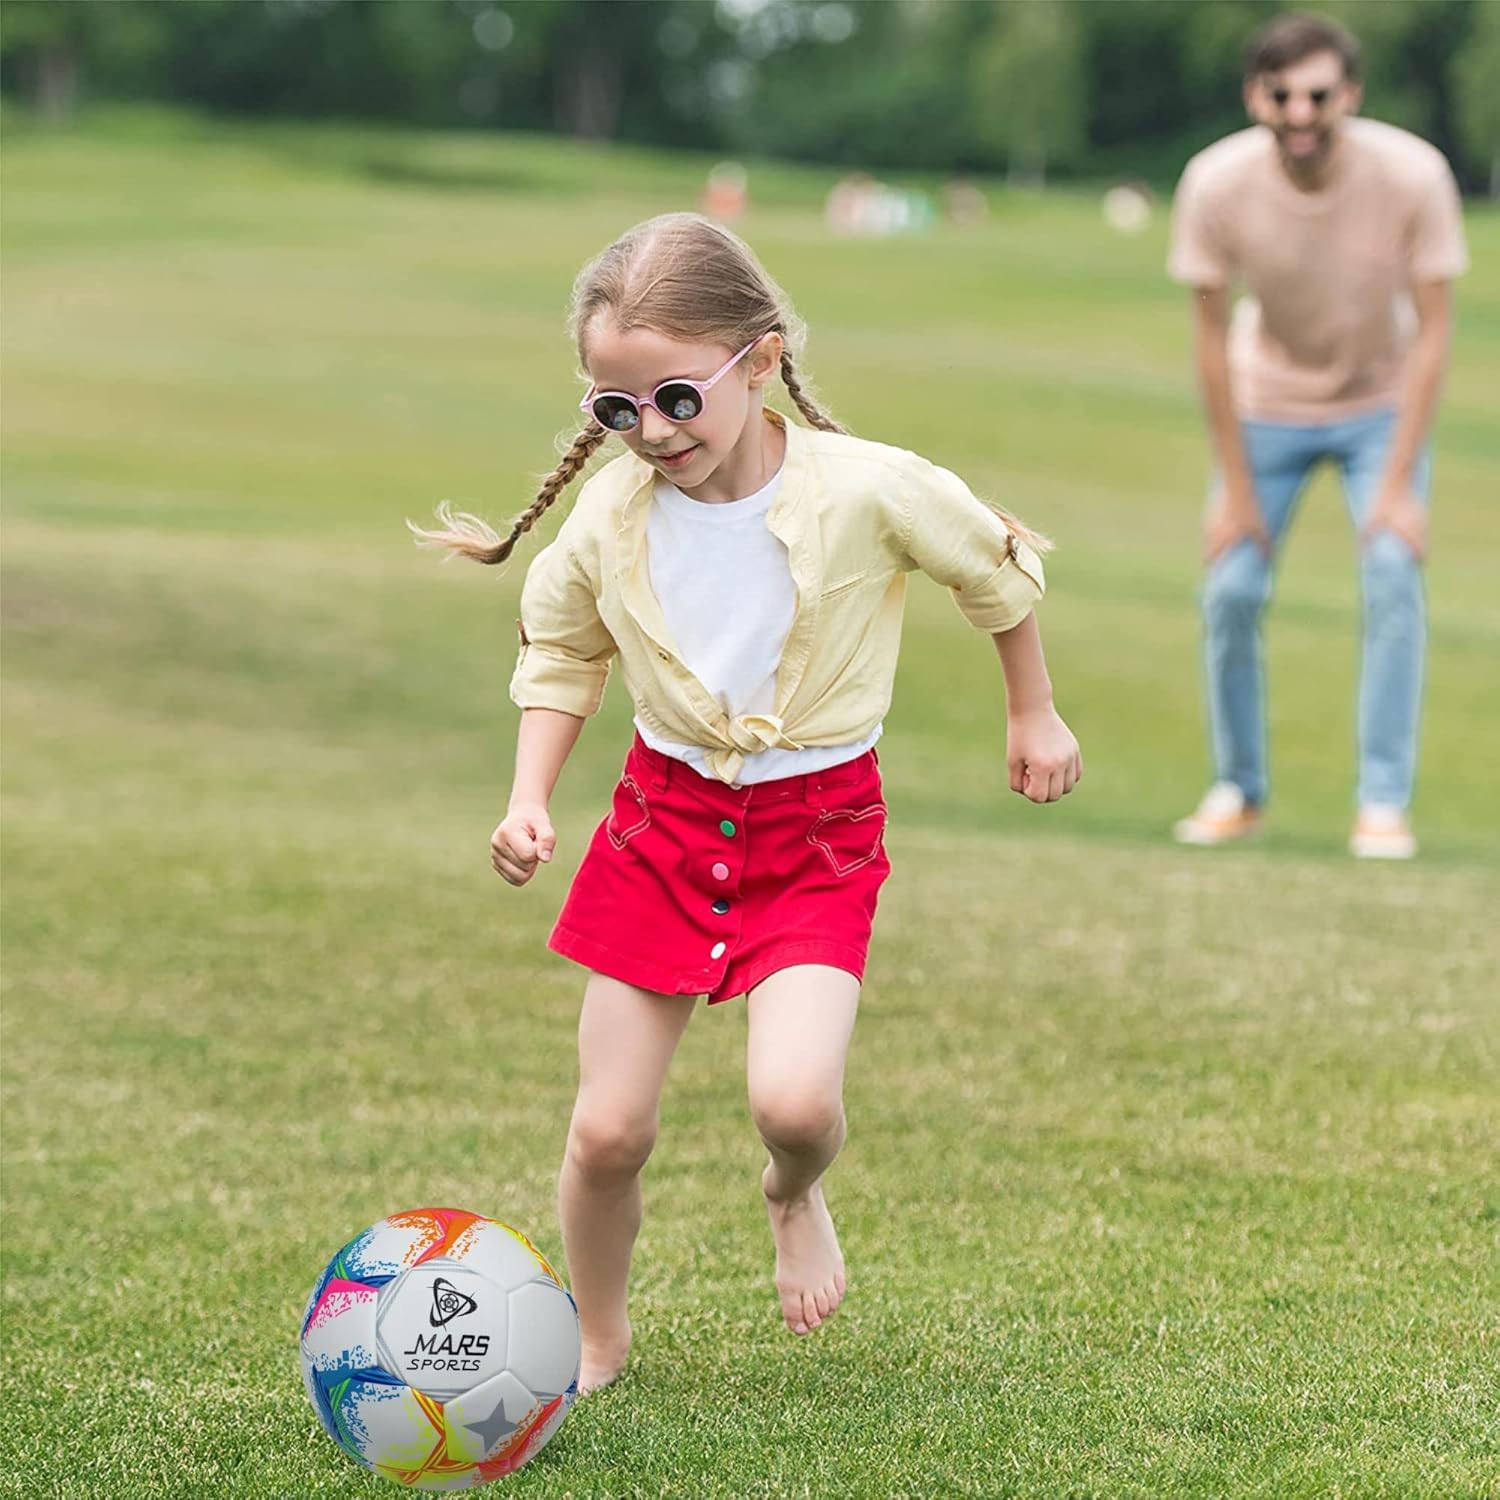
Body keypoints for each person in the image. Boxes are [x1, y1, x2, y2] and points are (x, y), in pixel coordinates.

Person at [412, 213, 1081, 1392]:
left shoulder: (869, 489)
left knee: (795, 1104)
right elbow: (562, 652)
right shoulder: (610, 517)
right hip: (658, 826)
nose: (650, 434)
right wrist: (528, 798)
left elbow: (995, 569)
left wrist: (1033, 712)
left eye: (676, 398)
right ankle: (601, 1333)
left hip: (816, 833)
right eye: (616, 410)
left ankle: (795, 1193)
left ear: (759, 360)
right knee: (609, 1130)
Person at [1168, 13, 1468, 858]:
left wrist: (1401, 483)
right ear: (1255, 97)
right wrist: (1232, 487)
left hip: (1381, 404)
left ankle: (1382, 804)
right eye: (1282, 94)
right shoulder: (1215, 182)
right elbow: (1208, 338)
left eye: (1319, 94)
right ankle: (1239, 790)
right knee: (1228, 588)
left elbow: (1437, 331)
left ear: (1350, 94)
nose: (1301, 112)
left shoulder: (1414, 173)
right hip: (1267, 404)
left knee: (1391, 569)